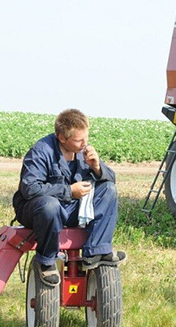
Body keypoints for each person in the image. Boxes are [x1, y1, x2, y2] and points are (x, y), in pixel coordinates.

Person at [13, 109, 126, 285]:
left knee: (109, 189)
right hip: (38, 211)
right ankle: (46, 261)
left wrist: (96, 167)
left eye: (86, 138)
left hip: (71, 208)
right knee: (49, 205)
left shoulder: (83, 152)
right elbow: (30, 188)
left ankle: (96, 251)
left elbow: (111, 179)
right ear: (62, 138)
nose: (84, 143)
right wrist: (69, 191)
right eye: (79, 140)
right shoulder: (40, 151)